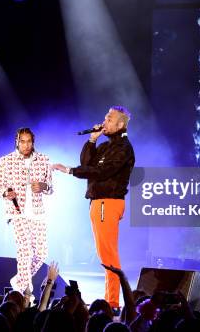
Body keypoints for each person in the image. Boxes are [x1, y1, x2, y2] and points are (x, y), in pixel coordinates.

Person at [53, 106, 135, 309]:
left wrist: (70, 170)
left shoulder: (123, 148)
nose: (104, 122)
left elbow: (101, 172)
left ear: (120, 124)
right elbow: (87, 163)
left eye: (109, 119)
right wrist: (92, 139)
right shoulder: (106, 146)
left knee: (108, 255)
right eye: (105, 118)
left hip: (108, 203)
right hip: (98, 203)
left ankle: (113, 302)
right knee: (104, 255)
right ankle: (110, 300)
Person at [0, 127, 53, 297]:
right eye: (22, 141)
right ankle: (26, 293)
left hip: (38, 213)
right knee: (25, 252)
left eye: (29, 142)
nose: (26, 145)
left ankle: (18, 281)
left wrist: (43, 186)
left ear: (33, 142)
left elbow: (51, 188)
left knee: (41, 253)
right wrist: (6, 193)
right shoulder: (5, 161)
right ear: (17, 142)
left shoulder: (44, 160)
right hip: (17, 213)